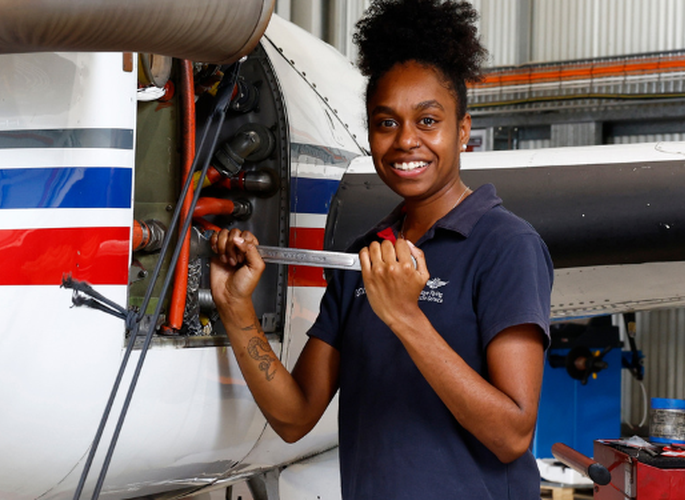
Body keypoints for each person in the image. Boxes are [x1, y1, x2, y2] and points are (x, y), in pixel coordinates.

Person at [207, 0, 553, 498]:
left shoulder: (507, 247)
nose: (406, 141)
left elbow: (512, 435)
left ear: (463, 131)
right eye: (386, 123)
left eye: (428, 121)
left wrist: (406, 316)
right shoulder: (364, 256)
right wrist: (236, 308)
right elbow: (294, 416)